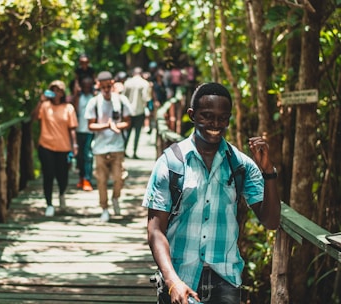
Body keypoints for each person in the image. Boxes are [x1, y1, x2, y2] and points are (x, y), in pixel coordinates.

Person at [143, 82, 281, 304]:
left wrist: (268, 172)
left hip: (225, 280)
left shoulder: (241, 165)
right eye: (207, 116)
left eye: (222, 118)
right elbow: (155, 229)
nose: (215, 124)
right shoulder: (170, 163)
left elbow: (271, 221)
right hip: (180, 278)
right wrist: (172, 281)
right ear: (192, 115)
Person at [85, 71, 131, 222]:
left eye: (108, 86)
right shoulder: (94, 102)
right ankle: (104, 208)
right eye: (102, 86)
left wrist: (116, 126)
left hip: (117, 147)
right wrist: (107, 126)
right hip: (100, 148)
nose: (105, 89)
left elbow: (127, 121)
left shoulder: (121, 100)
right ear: (98, 85)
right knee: (101, 180)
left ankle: (115, 198)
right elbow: (90, 125)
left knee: (119, 177)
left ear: (112, 84)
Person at [32, 80, 78, 217]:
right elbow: (34, 117)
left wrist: (75, 144)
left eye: (59, 90)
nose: (56, 93)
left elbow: (72, 129)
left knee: (62, 176)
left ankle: (62, 193)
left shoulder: (68, 108)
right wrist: (40, 101)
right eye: (53, 90)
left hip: (63, 147)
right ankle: (49, 204)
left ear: (63, 93)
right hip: (46, 145)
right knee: (48, 175)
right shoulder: (45, 106)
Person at [72, 77, 95, 191]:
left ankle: (87, 179)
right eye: (84, 85)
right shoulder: (79, 97)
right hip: (78, 129)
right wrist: (76, 93)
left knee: (88, 155)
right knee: (80, 155)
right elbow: (74, 110)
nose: (86, 87)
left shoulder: (94, 97)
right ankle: (81, 177)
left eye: (88, 85)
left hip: (90, 131)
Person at [123, 66, 150, 159]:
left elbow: (123, 96)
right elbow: (146, 98)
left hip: (128, 111)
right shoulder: (145, 83)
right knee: (137, 133)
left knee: (127, 132)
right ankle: (134, 152)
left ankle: (124, 150)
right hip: (139, 111)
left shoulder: (127, 82)